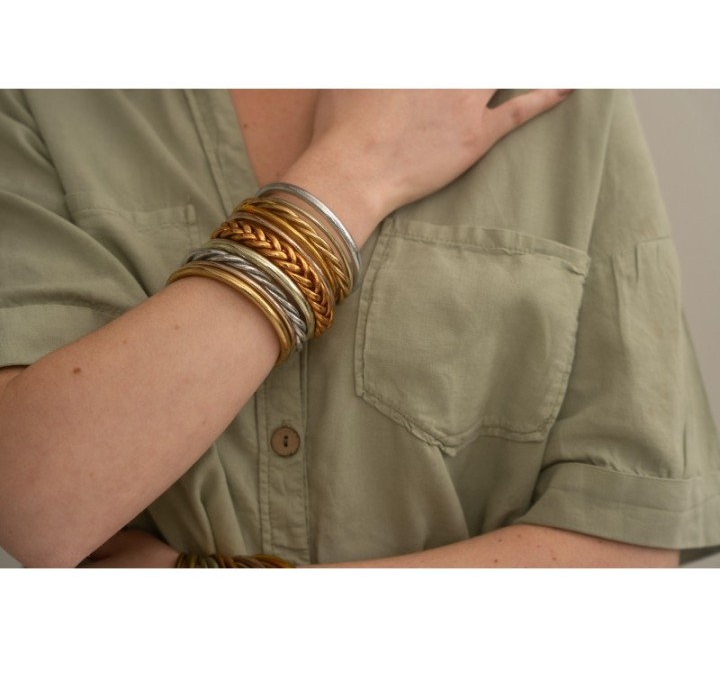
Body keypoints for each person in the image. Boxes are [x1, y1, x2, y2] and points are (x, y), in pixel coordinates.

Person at [0, 89, 717, 568]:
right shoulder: (47, 97)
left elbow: (628, 539)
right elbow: (39, 503)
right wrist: (354, 173)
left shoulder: (546, 83)